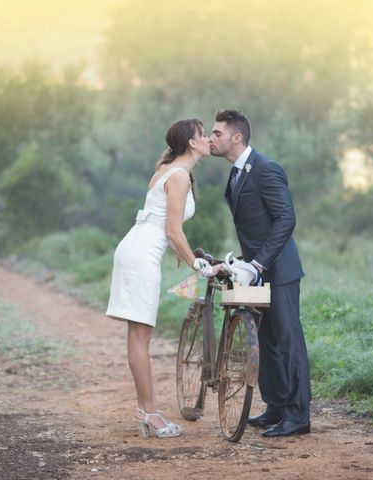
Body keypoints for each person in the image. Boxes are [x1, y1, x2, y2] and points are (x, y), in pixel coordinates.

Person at [106, 119, 220, 438]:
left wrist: (186, 257)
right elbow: (172, 231)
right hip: (142, 254)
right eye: (203, 135)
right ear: (192, 143)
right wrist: (199, 265)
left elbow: (166, 229)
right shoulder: (179, 175)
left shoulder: (167, 170)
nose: (209, 139)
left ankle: (148, 407)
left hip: (136, 248)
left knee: (137, 335)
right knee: (141, 337)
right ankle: (149, 412)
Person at [209, 108, 311, 437]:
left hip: (279, 270)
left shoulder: (266, 169)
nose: (212, 138)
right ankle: (277, 406)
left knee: (288, 340)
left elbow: (286, 219)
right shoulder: (236, 173)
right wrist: (243, 263)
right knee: (266, 342)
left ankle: (298, 417)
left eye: (217, 133)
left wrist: (258, 263)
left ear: (236, 138)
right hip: (256, 271)